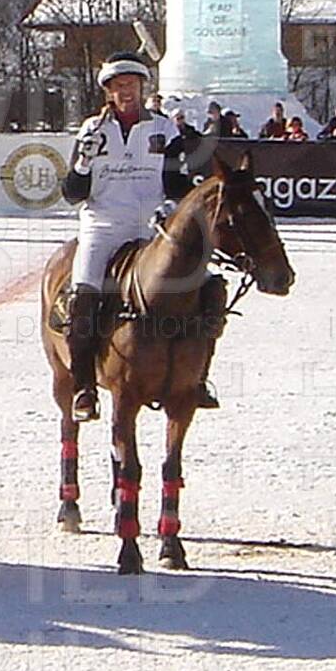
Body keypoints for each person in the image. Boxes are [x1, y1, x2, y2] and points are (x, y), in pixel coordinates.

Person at [57, 54, 206, 420]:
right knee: (83, 299)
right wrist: (84, 163)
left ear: (142, 88)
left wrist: (172, 205)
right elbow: (72, 193)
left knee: (203, 286)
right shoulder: (91, 129)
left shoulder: (164, 129)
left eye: (132, 85)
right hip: (102, 226)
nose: (126, 92)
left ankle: (197, 378)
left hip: (149, 227)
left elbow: (177, 183)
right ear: (108, 92)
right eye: (119, 86)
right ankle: (84, 388)